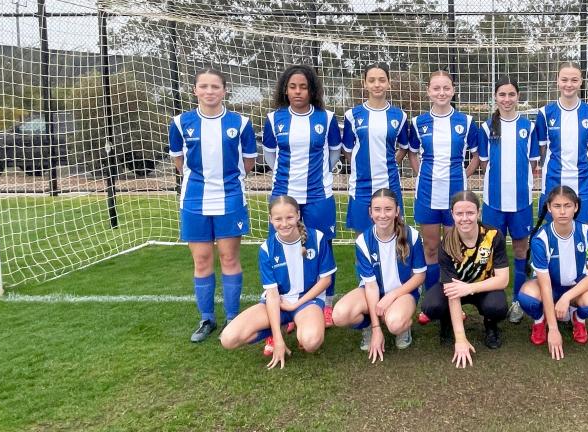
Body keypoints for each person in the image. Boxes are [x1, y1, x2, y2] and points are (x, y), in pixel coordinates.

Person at [168, 67, 257, 343]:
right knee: (202, 260)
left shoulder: (241, 123)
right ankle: (207, 318)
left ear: (224, 90)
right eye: (204, 86)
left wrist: (226, 180)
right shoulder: (180, 123)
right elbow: (179, 161)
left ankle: (232, 318)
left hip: (230, 198)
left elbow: (249, 162)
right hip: (194, 200)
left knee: (229, 258)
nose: (209, 91)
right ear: (195, 90)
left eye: (215, 86)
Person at [262, 65, 343, 326]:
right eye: (293, 87)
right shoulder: (274, 119)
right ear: (285, 90)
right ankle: (287, 305)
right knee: (283, 248)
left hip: (319, 195)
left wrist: (320, 175)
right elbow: (270, 156)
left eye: (303, 87)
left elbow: (334, 153)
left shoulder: (326, 118)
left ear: (312, 90)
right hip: (284, 195)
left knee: (323, 247)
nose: (298, 91)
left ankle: (326, 304)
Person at [219, 196, 335, 369]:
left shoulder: (317, 238)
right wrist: (278, 340)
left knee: (311, 342)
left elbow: (326, 280)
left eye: (289, 217)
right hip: (278, 303)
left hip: (308, 301)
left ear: (298, 215)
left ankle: (301, 324)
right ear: (271, 219)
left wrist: (295, 305)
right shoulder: (267, 248)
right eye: (278, 219)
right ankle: (277, 330)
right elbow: (272, 295)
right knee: (228, 339)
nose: (284, 224)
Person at [407, 70, 480, 322]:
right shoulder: (418, 123)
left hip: (455, 197)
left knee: (453, 250)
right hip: (427, 194)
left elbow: (477, 155)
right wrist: (422, 176)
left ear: (453, 90)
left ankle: (454, 303)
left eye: (446, 88)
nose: (441, 93)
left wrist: (463, 176)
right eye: (436, 88)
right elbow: (412, 153)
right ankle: (431, 303)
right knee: (430, 248)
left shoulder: (466, 122)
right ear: (428, 91)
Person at [330, 189, 426, 362]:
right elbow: (371, 286)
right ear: (370, 212)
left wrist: (391, 296)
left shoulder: (412, 235)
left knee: (395, 324)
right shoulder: (363, 241)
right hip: (372, 290)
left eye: (388, 209)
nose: (382, 215)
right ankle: (369, 325)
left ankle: (403, 326)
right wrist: (376, 328)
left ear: (397, 211)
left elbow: (419, 276)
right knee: (339, 315)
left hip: (403, 292)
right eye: (377, 209)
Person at [421, 191, 510, 367]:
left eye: (470, 213)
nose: (465, 218)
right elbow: (452, 291)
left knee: (497, 306)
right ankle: (447, 321)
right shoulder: (447, 243)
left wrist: (469, 288)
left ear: (478, 212)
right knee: (431, 306)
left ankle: (490, 325)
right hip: (455, 289)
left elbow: (503, 279)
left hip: (483, 287)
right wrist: (460, 339)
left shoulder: (494, 235)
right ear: (452, 214)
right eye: (459, 213)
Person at [476, 76, 539, 324]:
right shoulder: (486, 128)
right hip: (494, 202)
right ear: (495, 97)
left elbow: (532, 162)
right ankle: (493, 302)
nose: (507, 99)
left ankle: (517, 301)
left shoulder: (528, 126)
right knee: (492, 251)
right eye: (502, 94)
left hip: (521, 202)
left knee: (521, 250)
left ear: (518, 97)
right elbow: (484, 163)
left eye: (511, 94)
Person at [518, 185, 588, 360]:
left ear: (576, 207)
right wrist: (553, 329)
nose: (563, 211)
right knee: (527, 297)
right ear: (549, 208)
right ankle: (540, 319)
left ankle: (577, 317)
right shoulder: (540, 239)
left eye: (567, 205)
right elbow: (545, 285)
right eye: (557, 206)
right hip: (549, 288)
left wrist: (566, 297)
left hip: (575, 288)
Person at [341, 63, 410, 235]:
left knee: (393, 236)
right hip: (361, 185)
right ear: (365, 84)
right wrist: (360, 166)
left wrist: (390, 164)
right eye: (371, 80)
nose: (377, 84)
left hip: (389, 184)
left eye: (381, 80)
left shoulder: (399, 116)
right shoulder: (352, 115)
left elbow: (403, 148)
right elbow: (348, 149)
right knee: (362, 239)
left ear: (389, 83)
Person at [534, 62, 588, 225]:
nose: (569, 84)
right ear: (557, 81)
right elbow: (542, 150)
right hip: (553, 180)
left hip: (584, 182)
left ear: (581, 82)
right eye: (564, 80)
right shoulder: (545, 113)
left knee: (582, 232)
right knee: (554, 232)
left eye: (574, 80)